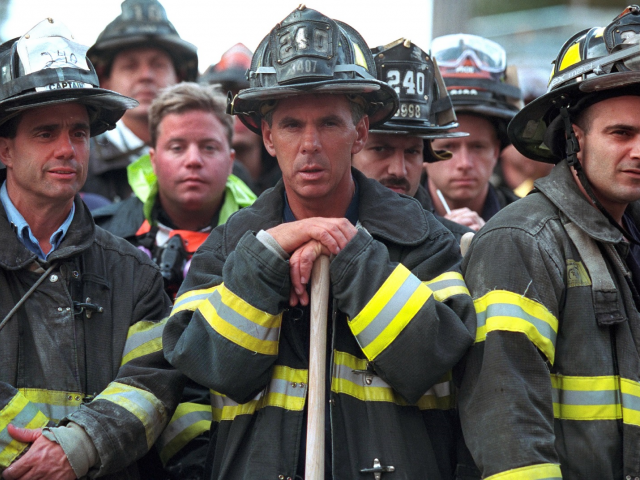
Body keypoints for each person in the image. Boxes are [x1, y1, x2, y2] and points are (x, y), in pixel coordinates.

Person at [164, 6, 476, 480]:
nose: (310, 143)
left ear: (360, 132)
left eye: (329, 123)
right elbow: (210, 366)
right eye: (291, 125)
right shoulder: (231, 244)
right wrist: (269, 254)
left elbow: (429, 360)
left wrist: (349, 255)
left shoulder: (425, 240)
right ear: (267, 136)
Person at [459, 6, 640, 479]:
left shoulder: (629, 237)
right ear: (574, 139)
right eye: (621, 133)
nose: (639, 151)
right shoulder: (522, 242)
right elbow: (509, 430)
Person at [0, 19, 183, 480]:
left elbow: (153, 384)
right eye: (45, 133)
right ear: (4, 149)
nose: (68, 149)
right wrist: (30, 455)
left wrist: (76, 448)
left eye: (78, 133)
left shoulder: (134, 273)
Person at [94, 82, 255, 480]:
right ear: (152, 158)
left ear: (232, 158)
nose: (194, 160)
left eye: (210, 147)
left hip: (232, 453)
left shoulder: (270, 241)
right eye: (177, 147)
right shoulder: (100, 239)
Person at [352, 37, 472, 244]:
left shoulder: (454, 245)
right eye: (380, 149)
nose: (399, 171)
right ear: (349, 148)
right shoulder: (292, 232)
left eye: (412, 151)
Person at [83, 0, 198, 202]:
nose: (146, 76)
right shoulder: (79, 162)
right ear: (104, 80)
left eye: (158, 65)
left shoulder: (214, 160)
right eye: (130, 66)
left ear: (180, 78)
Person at [423, 34, 522, 231]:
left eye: (478, 147)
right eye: (448, 147)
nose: (464, 164)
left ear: (495, 151)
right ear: (423, 152)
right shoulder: (394, 222)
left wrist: (494, 243)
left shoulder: (528, 222)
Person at [201, 43, 281, 194]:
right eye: (226, 98)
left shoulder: (293, 177)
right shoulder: (196, 182)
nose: (235, 111)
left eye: (247, 100)